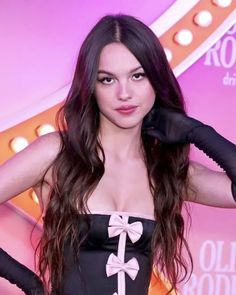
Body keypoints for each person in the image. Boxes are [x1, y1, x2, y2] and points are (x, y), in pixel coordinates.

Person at [0, 13, 235, 295]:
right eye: (107, 80)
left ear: (156, 81)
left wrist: (197, 132)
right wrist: (28, 283)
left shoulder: (166, 169)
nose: (125, 93)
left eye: (138, 76)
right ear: (91, 86)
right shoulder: (57, 153)